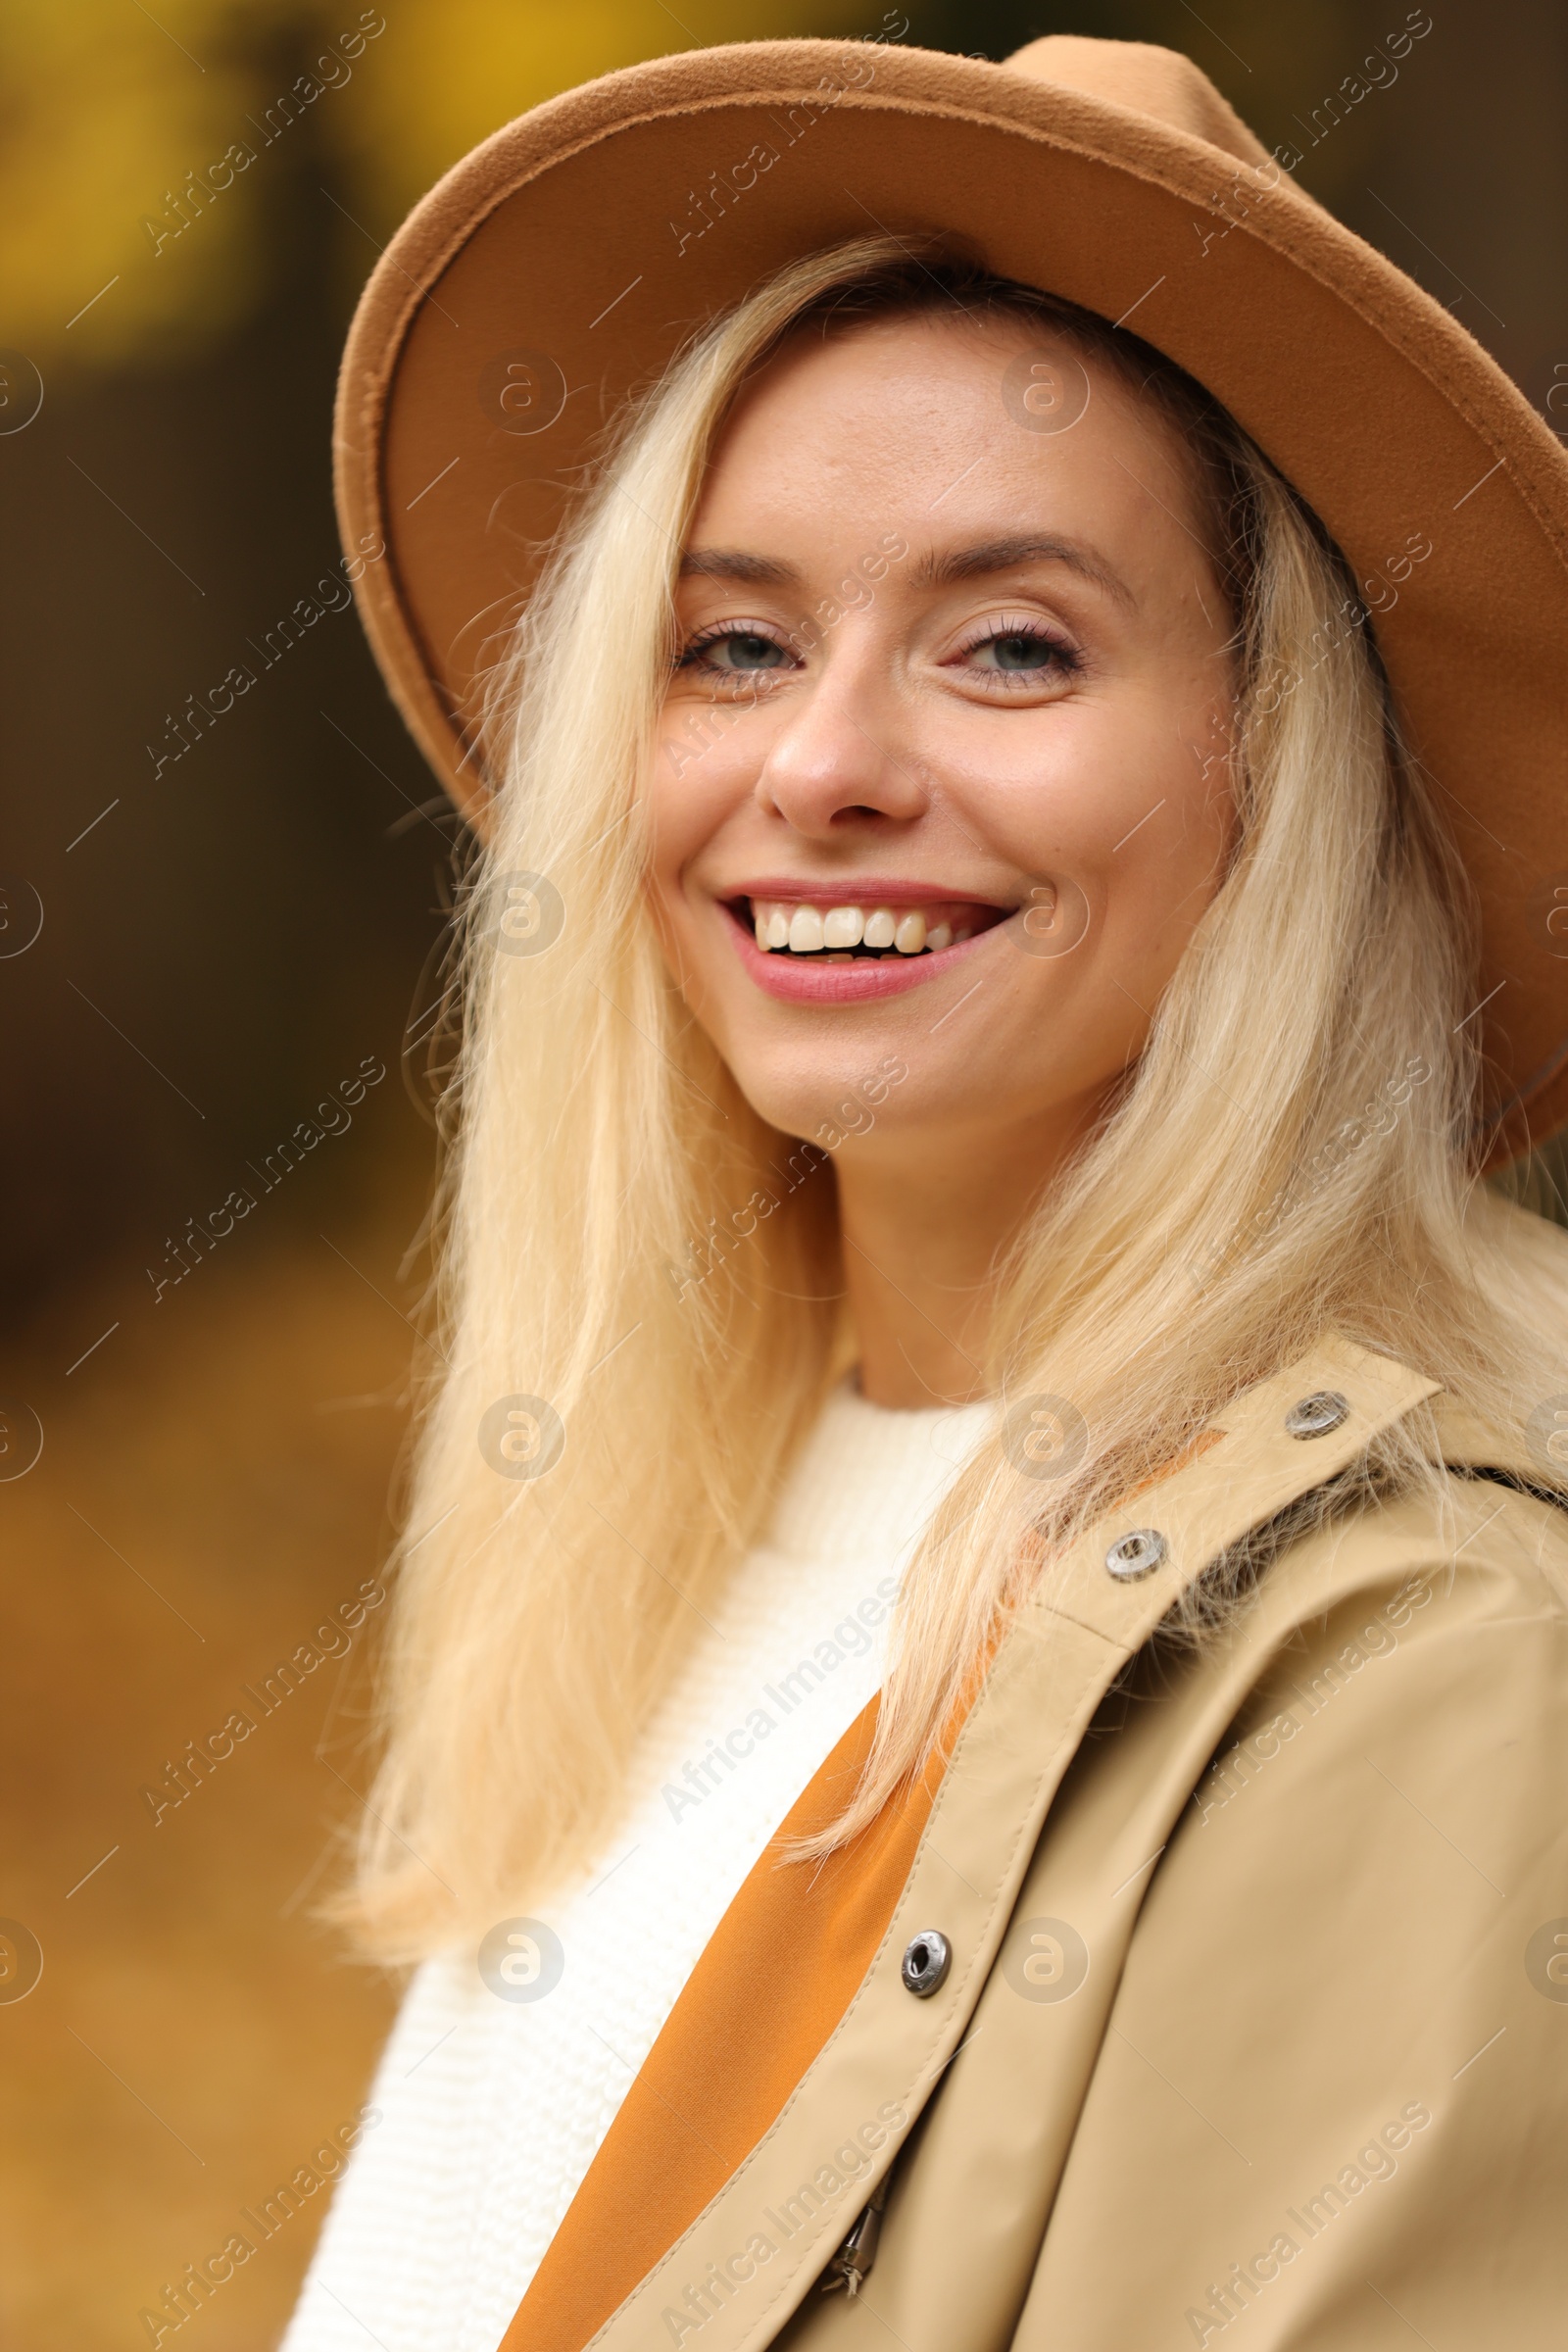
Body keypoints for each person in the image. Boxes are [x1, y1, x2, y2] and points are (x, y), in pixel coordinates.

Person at [282, 32, 1568, 2352]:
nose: (824, 765)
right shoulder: (648, 1516)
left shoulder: (1436, 1665)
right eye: (733, 643)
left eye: (1006, 646)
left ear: (1273, 771)